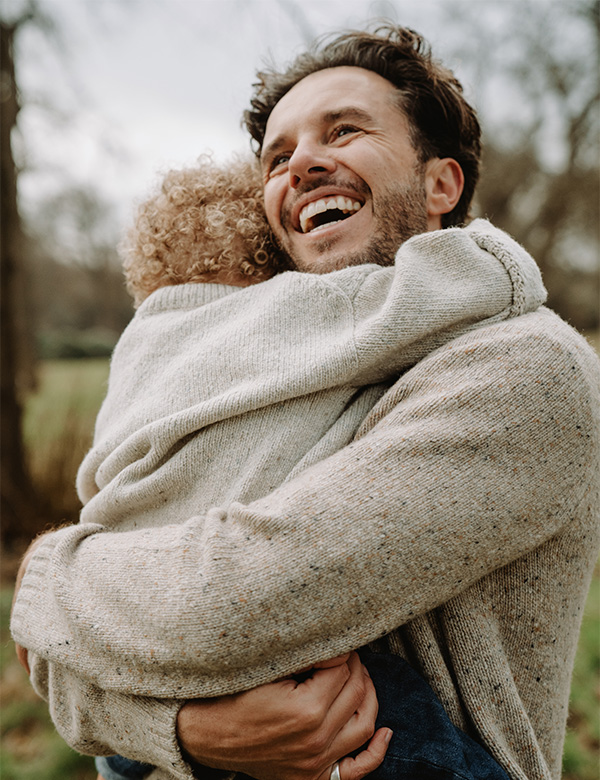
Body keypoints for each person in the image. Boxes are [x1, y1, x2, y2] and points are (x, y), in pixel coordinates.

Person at [11, 24, 600, 780]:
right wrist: (182, 729)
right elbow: (65, 669)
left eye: (345, 130)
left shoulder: (525, 366)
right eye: (277, 157)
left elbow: (228, 601)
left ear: (441, 185)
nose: (302, 164)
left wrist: (49, 575)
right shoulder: (276, 382)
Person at [74, 153, 542, 780]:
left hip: (135, 622)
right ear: (270, 263)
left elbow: (95, 479)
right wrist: (493, 261)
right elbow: (400, 305)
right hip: (264, 644)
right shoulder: (278, 316)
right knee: (406, 725)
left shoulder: (136, 347)